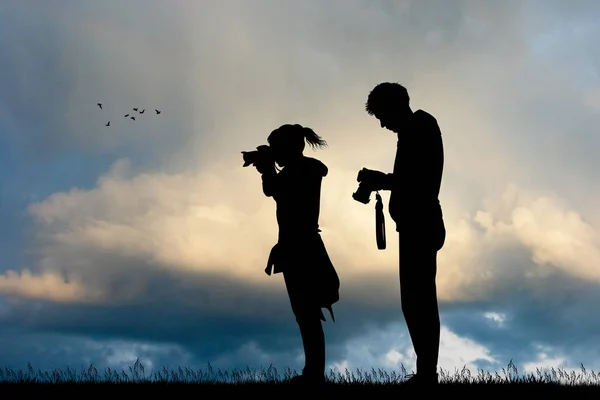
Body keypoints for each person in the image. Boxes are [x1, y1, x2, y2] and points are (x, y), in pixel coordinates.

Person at [360, 82, 446, 385]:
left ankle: (427, 375)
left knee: (419, 300)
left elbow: (418, 180)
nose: (383, 124)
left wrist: (380, 180)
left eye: (383, 115)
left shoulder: (420, 126)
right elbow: (411, 178)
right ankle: (426, 373)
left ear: (395, 105)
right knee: (413, 301)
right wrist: (382, 181)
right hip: (412, 226)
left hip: (421, 225)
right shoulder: (413, 130)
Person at [252, 124, 340, 385]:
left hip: (300, 246)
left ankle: (314, 374)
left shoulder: (301, 171)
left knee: (306, 313)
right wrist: (269, 168)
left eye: (277, 148)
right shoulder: (302, 169)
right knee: (305, 313)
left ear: (289, 148)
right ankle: (314, 372)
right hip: (299, 245)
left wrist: (267, 169)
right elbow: (277, 189)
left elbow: (274, 191)